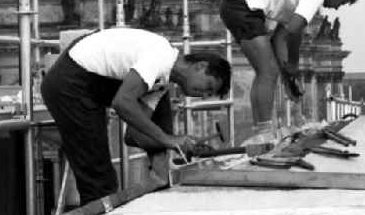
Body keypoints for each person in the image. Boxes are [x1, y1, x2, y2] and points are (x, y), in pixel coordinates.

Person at [41, 27, 231, 205]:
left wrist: (178, 143)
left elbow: (134, 136)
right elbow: (122, 102)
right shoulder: (161, 56)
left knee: (102, 179)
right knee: (99, 182)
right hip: (70, 83)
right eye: (208, 86)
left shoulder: (161, 84)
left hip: (88, 84)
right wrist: (168, 139)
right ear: (200, 66)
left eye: (208, 94)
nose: (203, 94)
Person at [219, 0, 361, 140]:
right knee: (268, 71)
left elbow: (288, 36)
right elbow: (283, 38)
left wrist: (290, 75)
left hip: (238, 3)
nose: (338, 7)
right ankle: (263, 133)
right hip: (242, 5)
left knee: (265, 71)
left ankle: (261, 131)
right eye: (342, 1)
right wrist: (290, 76)